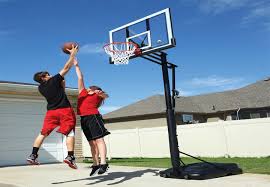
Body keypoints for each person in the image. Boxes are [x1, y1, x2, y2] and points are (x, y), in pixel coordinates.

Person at [27, 45, 79, 169]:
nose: (50, 75)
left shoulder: (41, 87)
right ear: (43, 77)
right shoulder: (53, 80)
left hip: (51, 112)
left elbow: (62, 89)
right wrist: (73, 54)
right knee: (69, 133)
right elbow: (66, 67)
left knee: (43, 133)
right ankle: (70, 156)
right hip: (64, 110)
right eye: (47, 74)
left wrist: (62, 81)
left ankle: (33, 155)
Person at [73, 58, 110, 176]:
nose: (89, 88)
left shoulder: (97, 95)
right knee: (91, 143)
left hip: (93, 117)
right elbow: (80, 77)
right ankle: (96, 164)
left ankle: (103, 163)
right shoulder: (82, 92)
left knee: (99, 140)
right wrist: (76, 65)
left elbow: (106, 95)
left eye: (92, 88)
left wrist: (100, 92)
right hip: (84, 118)